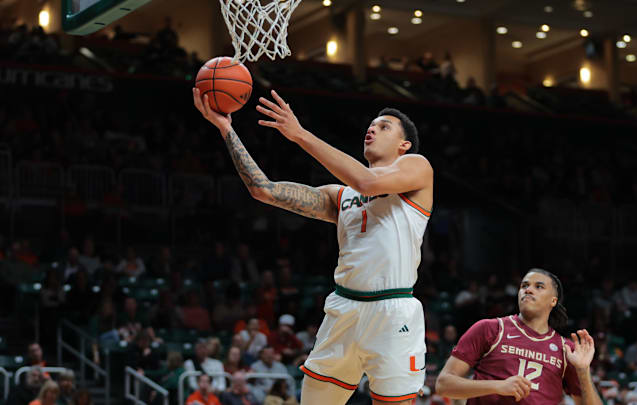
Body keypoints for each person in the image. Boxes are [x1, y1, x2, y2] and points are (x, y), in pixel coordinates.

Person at [193, 83, 433, 405]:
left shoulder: (417, 167)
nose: (372, 130)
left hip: (393, 313)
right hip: (343, 309)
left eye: (383, 126)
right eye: (371, 125)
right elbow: (264, 190)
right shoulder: (340, 195)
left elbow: (368, 181)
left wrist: (299, 134)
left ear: (404, 144)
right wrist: (226, 129)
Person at [435, 268, 603, 405]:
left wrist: (583, 371)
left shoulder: (566, 349)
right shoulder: (490, 329)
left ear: (553, 301)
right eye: (524, 285)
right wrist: (498, 386)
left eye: (538, 286)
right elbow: (443, 384)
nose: (528, 289)